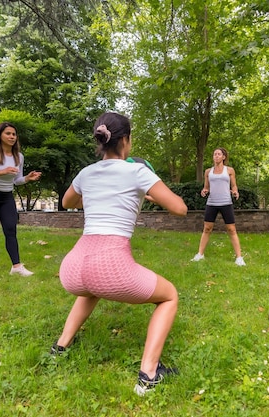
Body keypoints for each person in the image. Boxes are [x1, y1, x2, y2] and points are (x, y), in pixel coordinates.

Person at [50, 112, 187, 396]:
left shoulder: (86, 173)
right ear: (125, 140)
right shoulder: (137, 171)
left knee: (90, 289)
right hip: (110, 265)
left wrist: (102, 193)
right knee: (170, 295)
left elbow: (68, 202)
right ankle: (149, 375)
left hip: (73, 268)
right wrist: (145, 188)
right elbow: (180, 208)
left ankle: (60, 346)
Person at [0, 122, 42, 285]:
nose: (12, 137)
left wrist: (26, 178)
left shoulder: (19, 156)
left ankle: (16, 266)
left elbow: (16, 180)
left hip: (6, 197)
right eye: (8, 134)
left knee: (11, 231)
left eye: (14, 134)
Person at [191, 147, 245, 266]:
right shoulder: (208, 172)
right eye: (214, 154)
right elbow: (206, 187)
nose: (216, 156)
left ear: (223, 157)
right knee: (207, 228)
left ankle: (239, 258)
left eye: (218, 154)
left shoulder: (229, 170)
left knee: (231, 229)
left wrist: (235, 191)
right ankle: (200, 254)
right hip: (212, 203)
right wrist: (204, 191)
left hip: (226, 203)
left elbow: (234, 186)